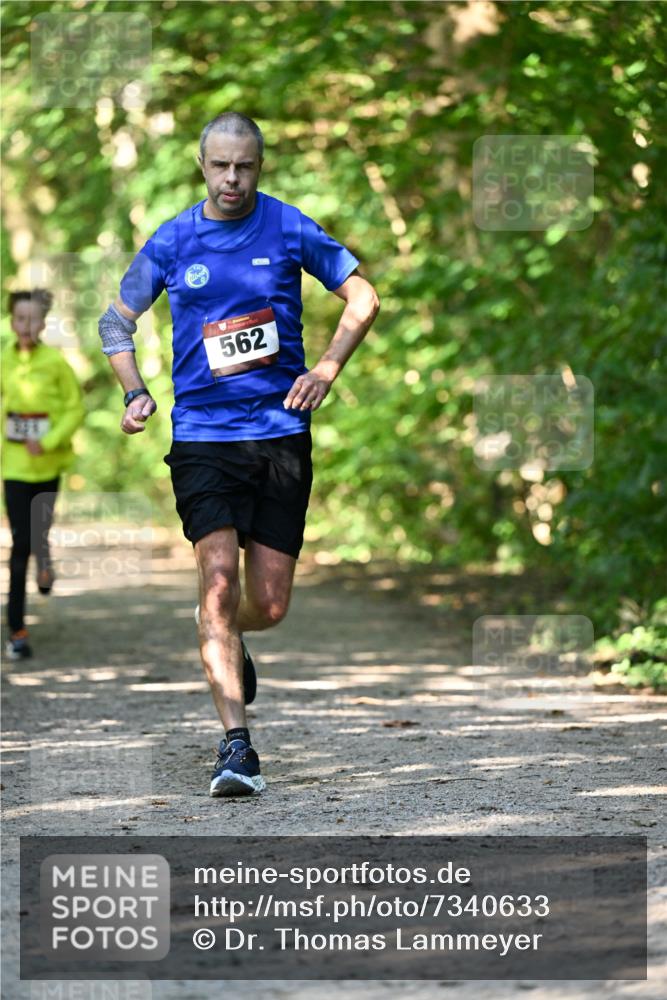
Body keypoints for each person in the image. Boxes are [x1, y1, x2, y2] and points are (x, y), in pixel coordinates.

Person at [99, 112, 379, 797]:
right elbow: (115, 321)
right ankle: (236, 747)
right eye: (220, 165)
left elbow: (363, 297)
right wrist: (134, 391)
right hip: (202, 437)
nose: (232, 178)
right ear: (202, 166)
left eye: (244, 166)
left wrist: (329, 368)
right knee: (218, 581)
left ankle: (221, 628)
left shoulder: (287, 227)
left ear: (260, 167)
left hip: (279, 434)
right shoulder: (171, 240)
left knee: (269, 604)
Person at [2, 289, 84, 660]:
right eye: (20, 319)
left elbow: (74, 409)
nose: (25, 326)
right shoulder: (4, 359)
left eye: (33, 319)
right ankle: (16, 629)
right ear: (11, 321)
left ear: (43, 323)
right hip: (15, 465)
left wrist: (48, 440)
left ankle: (45, 560)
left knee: (39, 532)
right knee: (20, 542)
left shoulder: (56, 363)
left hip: (48, 464)